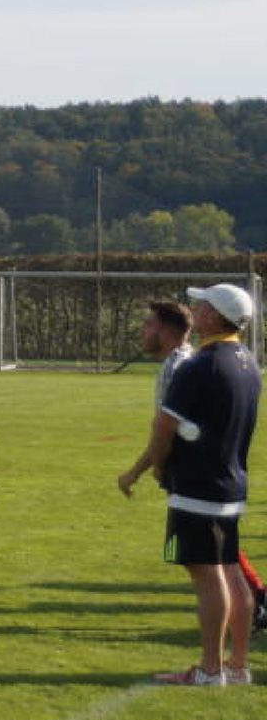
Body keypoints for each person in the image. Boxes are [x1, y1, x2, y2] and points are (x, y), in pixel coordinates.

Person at [119, 283, 260, 685]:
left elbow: (164, 426)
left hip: (198, 484)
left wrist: (159, 467)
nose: (194, 311)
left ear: (215, 316)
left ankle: (210, 670)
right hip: (231, 483)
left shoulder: (201, 364)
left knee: (207, 575)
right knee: (231, 570)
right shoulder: (247, 360)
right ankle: (238, 666)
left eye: (201, 305)